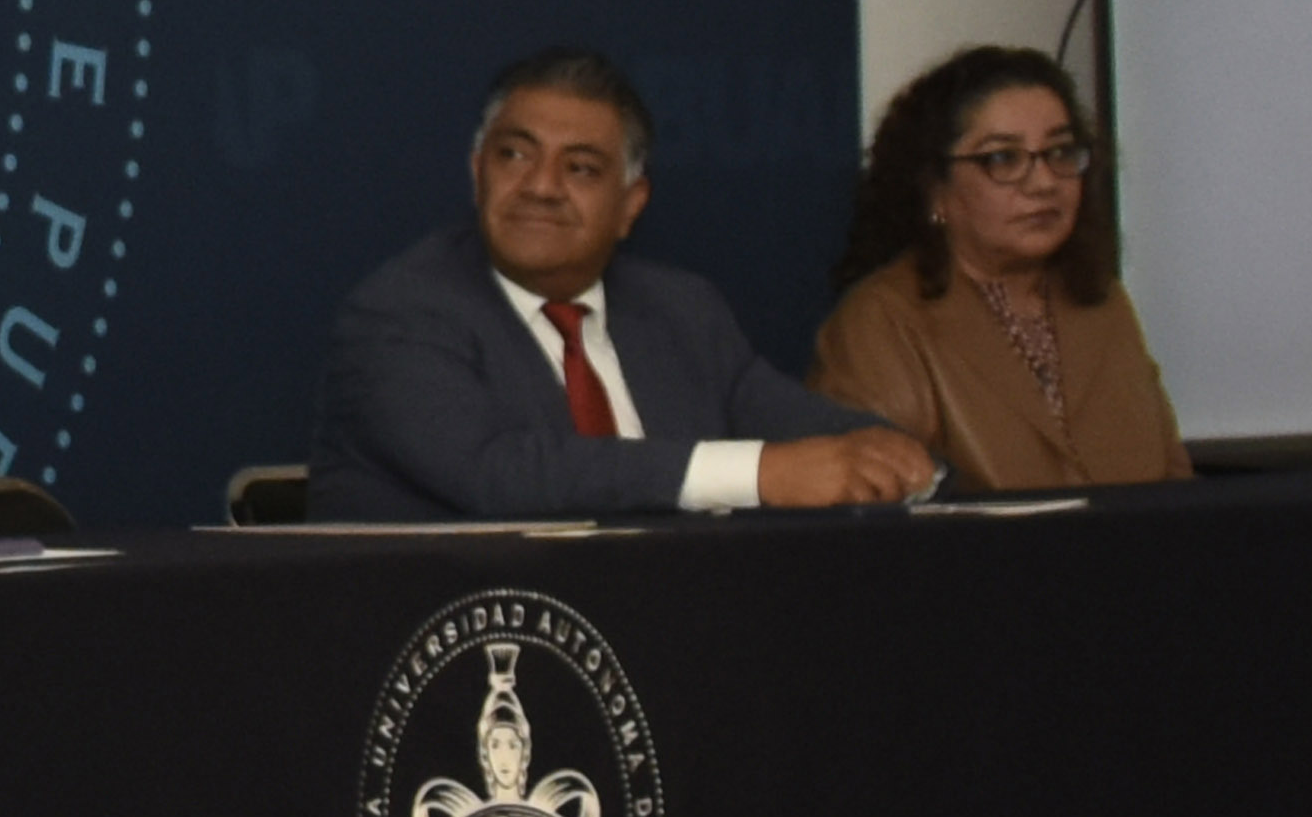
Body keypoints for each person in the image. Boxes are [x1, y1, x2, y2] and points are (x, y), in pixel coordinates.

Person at [310, 46, 938, 521]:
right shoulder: (401, 311)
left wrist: (895, 458)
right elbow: (494, 473)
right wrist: (759, 473)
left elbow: (802, 425)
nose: (541, 186)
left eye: (581, 168)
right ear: (478, 173)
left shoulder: (682, 310)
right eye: (515, 155)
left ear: (630, 205)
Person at [807, 47, 1191, 491]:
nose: (1044, 182)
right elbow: (876, 509)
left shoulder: (1103, 301)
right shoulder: (881, 322)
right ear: (934, 190)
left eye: (1060, 152)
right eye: (1003, 159)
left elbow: (1176, 485)